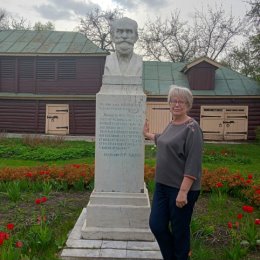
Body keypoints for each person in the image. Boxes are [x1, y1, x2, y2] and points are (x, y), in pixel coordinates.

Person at [143, 85, 203, 260]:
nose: (177, 104)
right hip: (162, 185)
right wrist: (148, 134)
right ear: (169, 103)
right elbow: (164, 140)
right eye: (173, 100)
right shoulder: (172, 124)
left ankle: (181, 257)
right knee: (157, 225)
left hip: (181, 189)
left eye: (181, 101)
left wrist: (183, 192)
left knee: (179, 231)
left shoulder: (192, 128)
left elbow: (193, 163)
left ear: (188, 104)